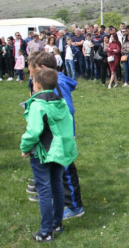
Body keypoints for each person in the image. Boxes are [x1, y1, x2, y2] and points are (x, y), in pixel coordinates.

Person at [20, 68, 78, 242]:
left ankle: (46, 231)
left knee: (44, 190)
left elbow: (34, 131)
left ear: (36, 85)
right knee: (57, 186)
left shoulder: (38, 104)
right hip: (59, 152)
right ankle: (56, 223)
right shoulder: (61, 102)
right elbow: (67, 128)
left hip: (43, 154)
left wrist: (25, 147)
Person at [29, 52, 84, 221]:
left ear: (43, 68)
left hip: (61, 135)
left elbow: (67, 110)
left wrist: (66, 134)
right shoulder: (53, 81)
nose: (31, 74)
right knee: (56, 168)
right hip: (54, 135)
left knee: (66, 169)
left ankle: (75, 207)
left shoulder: (57, 83)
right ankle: (56, 196)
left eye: (34, 70)